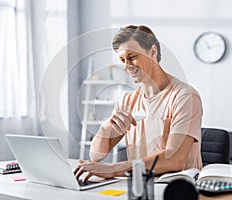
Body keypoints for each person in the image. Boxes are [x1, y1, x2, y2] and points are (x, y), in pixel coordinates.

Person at [74, 25, 203, 182]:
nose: (127, 66)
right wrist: (106, 127)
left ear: (153, 52)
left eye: (132, 57)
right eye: (122, 60)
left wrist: (114, 168)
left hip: (177, 190)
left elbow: (175, 158)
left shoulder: (185, 97)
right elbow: (96, 155)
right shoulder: (127, 101)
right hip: (139, 187)